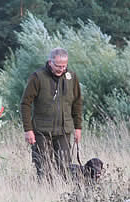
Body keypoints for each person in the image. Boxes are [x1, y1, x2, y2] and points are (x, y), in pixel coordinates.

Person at [20, 47, 83, 181]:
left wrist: (78, 127)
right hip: (42, 131)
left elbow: (77, 103)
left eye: (64, 66)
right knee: (43, 168)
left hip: (64, 131)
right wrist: (28, 130)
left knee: (65, 169)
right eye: (58, 66)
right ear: (50, 62)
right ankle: (44, 195)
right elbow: (25, 104)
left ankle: (62, 195)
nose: (61, 69)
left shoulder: (71, 77)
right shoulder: (37, 77)